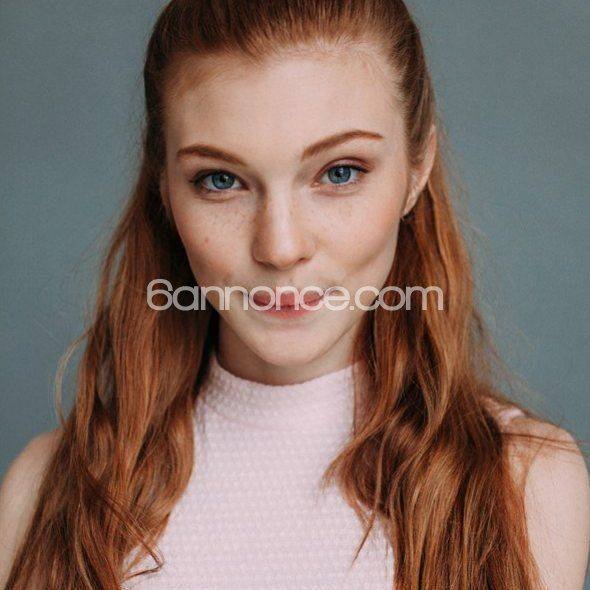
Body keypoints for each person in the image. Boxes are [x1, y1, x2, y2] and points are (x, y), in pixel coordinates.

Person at [1, 1, 589, 588]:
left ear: (417, 170)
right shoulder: (43, 492)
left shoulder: (526, 484)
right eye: (221, 180)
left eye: (339, 172)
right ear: (164, 188)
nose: (280, 248)